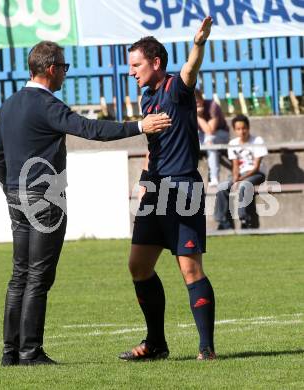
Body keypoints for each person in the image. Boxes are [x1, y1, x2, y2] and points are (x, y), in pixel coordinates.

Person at [0, 40, 171, 367]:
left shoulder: (10, 104)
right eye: (63, 67)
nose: (64, 74)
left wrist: (10, 189)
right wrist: (138, 126)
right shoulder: (47, 104)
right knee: (39, 276)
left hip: (17, 196)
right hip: (44, 198)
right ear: (50, 69)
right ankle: (31, 352)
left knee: (19, 275)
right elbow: (89, 129)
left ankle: (10, 352)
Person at [120, 16, 216, 361]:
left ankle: (206, 347)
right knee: (138, 266)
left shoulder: (176, 87)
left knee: (189, 268)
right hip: (156, 190)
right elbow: (152, 149)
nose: (131, 72)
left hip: (184, 188)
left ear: (156, 62)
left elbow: (191, 69)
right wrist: (145, 184)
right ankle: (156, 343)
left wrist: (199, 44)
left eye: (136, 65)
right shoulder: (147, 101)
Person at [214, 114, 268, 230]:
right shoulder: (233, 143)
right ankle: (224, 222)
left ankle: (245, 220)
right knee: (222, 187)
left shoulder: (257, 140)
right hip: (240, 175)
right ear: (234, 130)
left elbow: (256, 167)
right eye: (238, 129)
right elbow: (235, 165)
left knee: (244, 186)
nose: (242, 131)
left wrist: (240, 179)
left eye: (244, 128)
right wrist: (234, 178)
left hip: (256, 174)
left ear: (248, 128)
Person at [195, 89, 229, 186]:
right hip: (202, 135)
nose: (195, 104)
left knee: (210, 141)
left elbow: (210, 131)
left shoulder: (212, 106)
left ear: (201, 99)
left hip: (221, 134)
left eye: (197, 101)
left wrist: (198, 116)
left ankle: (214, 177)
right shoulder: (187, 108)